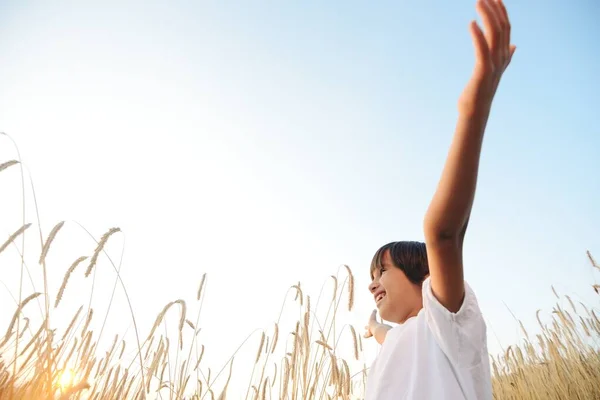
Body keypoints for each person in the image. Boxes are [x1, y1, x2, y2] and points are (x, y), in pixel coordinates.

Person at [363, 0, 516, 399]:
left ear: (424, 279)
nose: (372, 283)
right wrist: (375, 329)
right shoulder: (395, 345)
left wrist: (473, 106)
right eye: (371, 276)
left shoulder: (447, 322)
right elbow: (388, 337)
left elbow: (443, 233)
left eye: (382, 271)